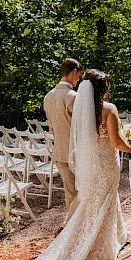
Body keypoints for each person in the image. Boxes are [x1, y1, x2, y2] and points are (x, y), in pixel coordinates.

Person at [0, 69, 131, 260]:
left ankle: (112, 238)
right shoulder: (109, 109)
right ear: (103, 88)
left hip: (92, 165)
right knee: (104, 201)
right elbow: (116, 141)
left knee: (94, 202)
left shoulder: (81, 108)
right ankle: (97, 247)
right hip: (106, 164)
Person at [42, 58, 82, 224]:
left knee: (70, 192)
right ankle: (80, 227)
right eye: (78, 76)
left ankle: (72, 226)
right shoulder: (73, 96)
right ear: (74, 72)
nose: (78, 80)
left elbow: (52, 127)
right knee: (82, 191)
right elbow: (81, 127)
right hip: (76, 151)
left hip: (59, 150)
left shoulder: (48, 97)